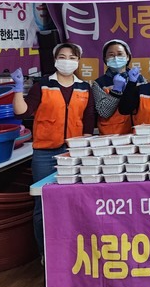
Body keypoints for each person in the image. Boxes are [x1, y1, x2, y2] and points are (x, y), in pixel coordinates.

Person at [11, 42, 94, 258]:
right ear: (55, 60)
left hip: (73, 154)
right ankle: (45, 255)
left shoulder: (84, 88)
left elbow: (88, 121)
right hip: (45, 154)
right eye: (62, 57)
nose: (67, 61)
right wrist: (18, 89)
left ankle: (72, 252)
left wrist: (83, 151)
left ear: (78, 61)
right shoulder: (43, 85)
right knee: (43, 204)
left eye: (72, 57)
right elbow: (23, 112)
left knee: (74, 203)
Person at [91, 39, 145, 135]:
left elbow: (144, 107)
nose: (116, 58)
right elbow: (104, 112)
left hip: (137, 134)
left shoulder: (139, 79)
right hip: (113, 135)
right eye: (111, 55)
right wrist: (116, 91)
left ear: (127, 57)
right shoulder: (99, 83)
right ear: (105, 59)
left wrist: (132, 84)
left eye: (120, 54)